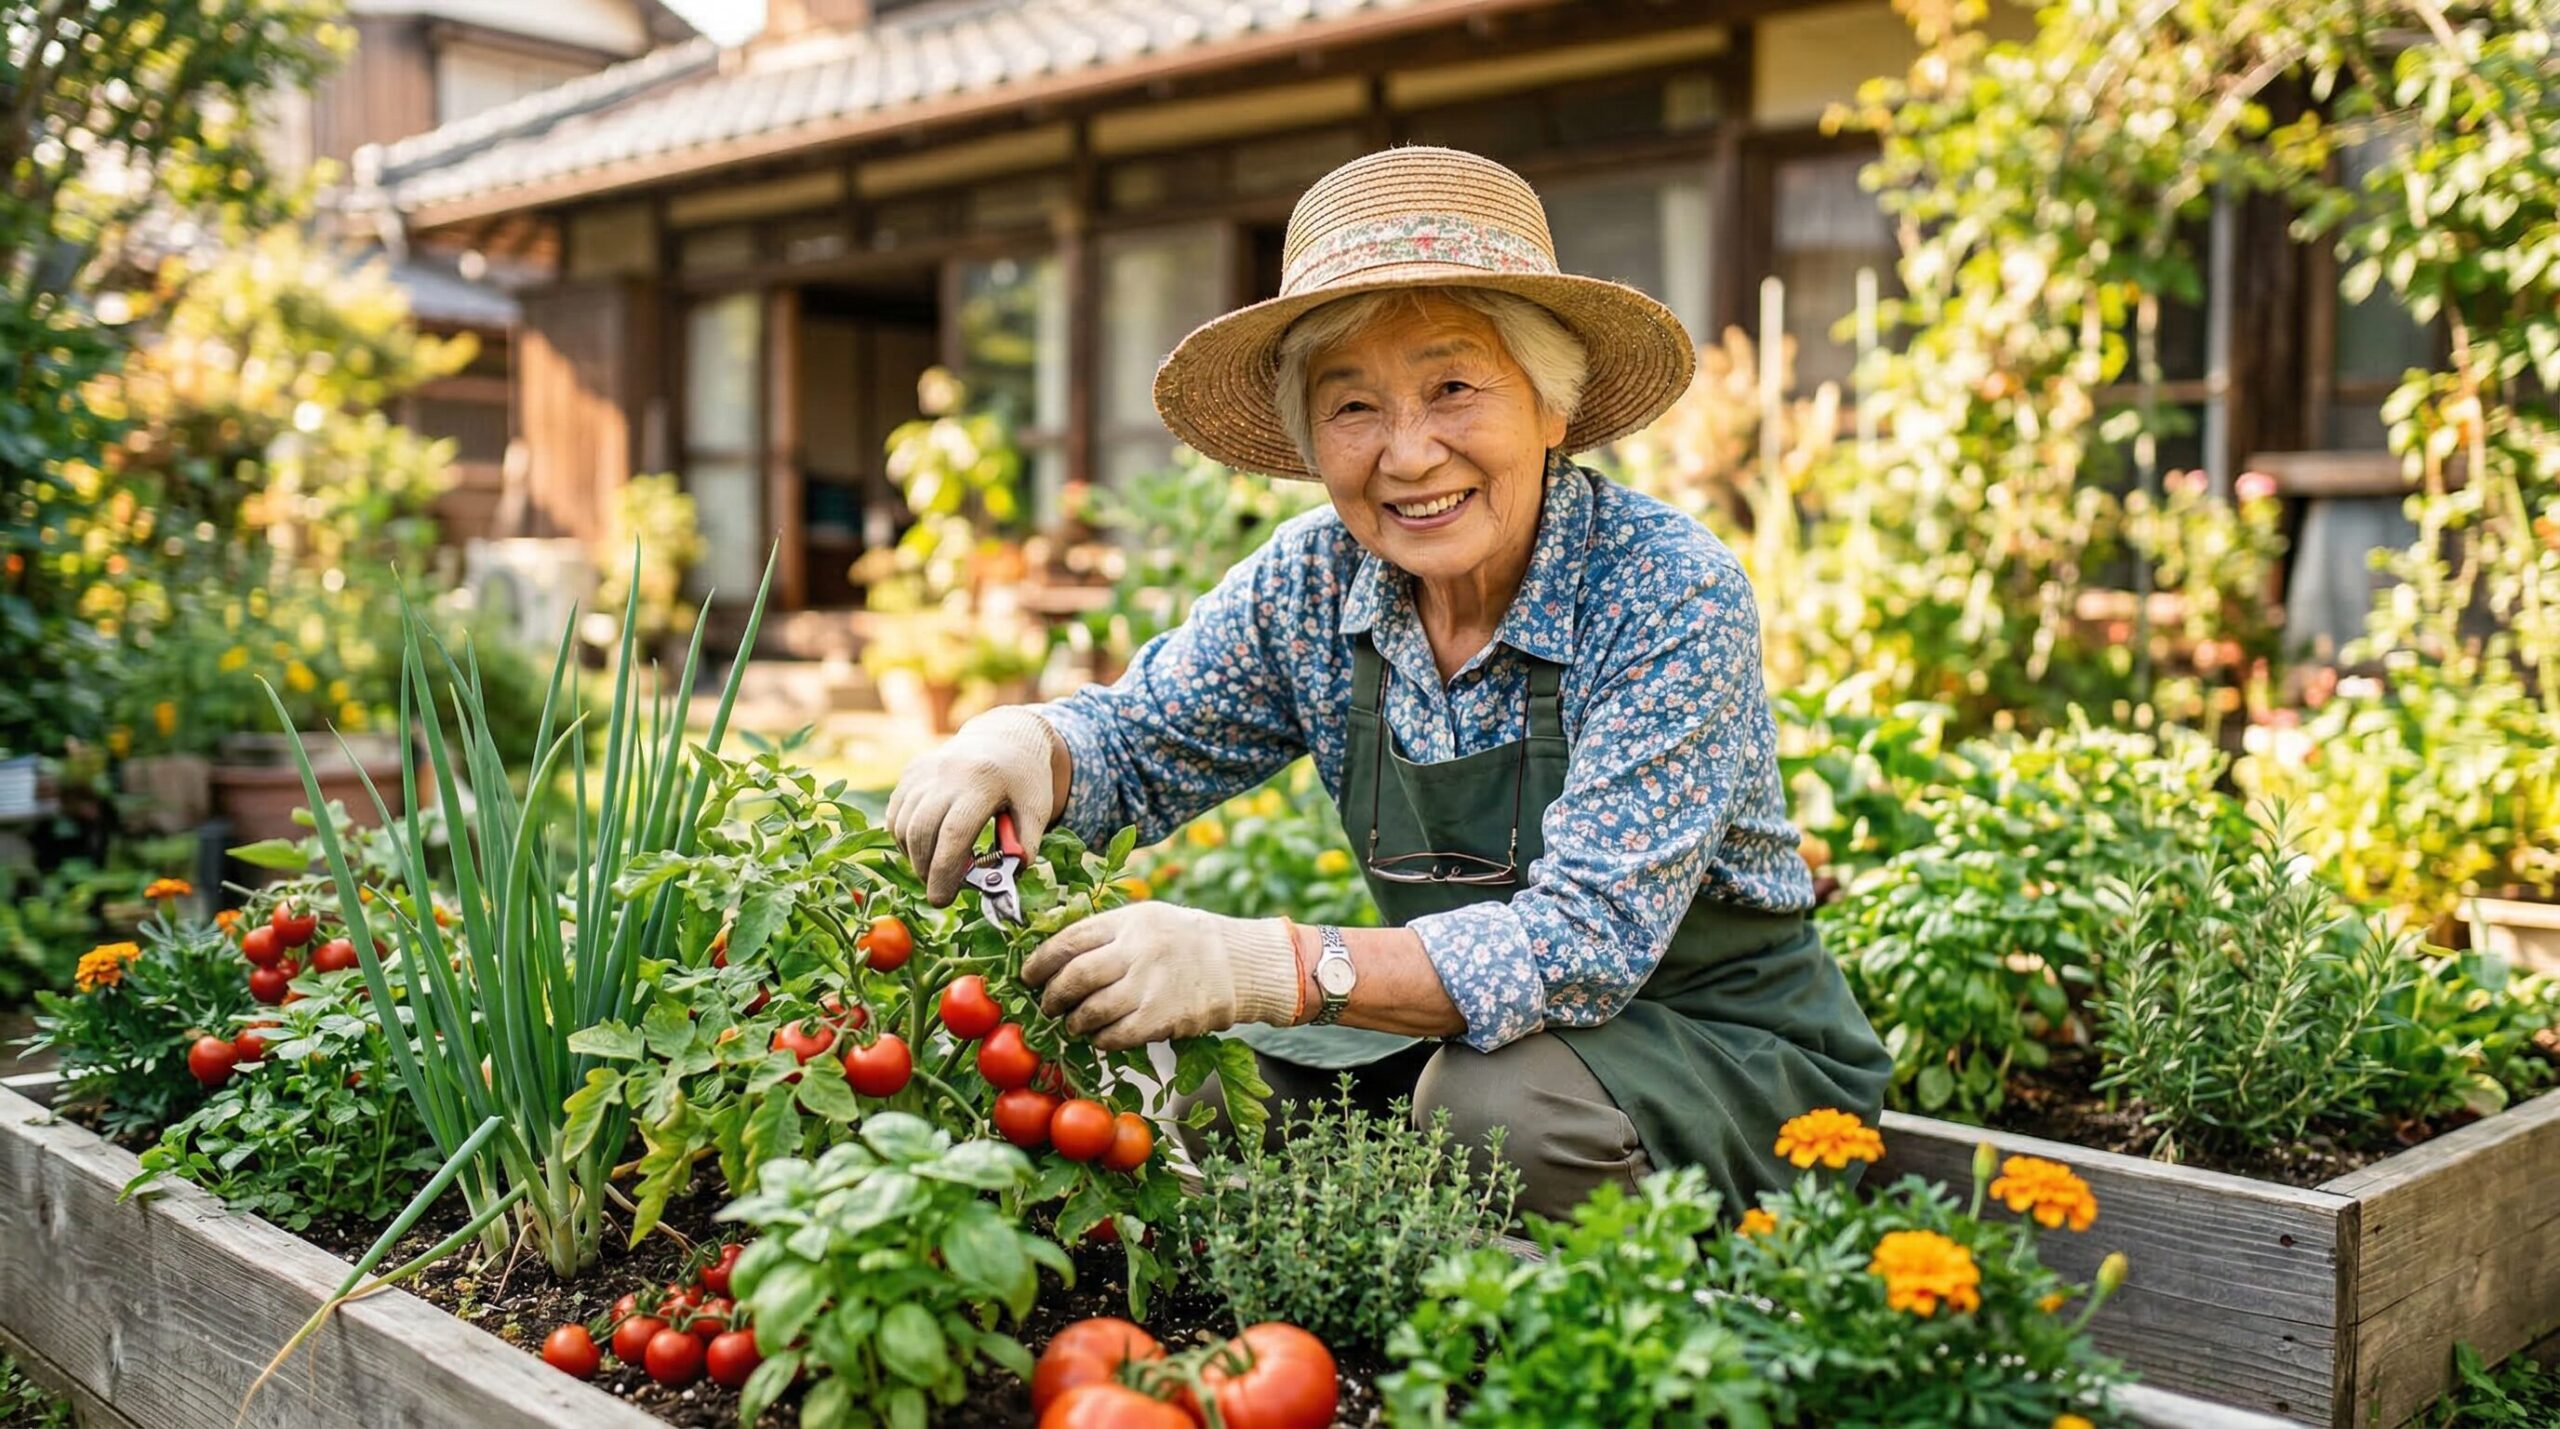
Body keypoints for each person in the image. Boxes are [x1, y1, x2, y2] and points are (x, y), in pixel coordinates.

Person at [887, 145, 1889, 1218]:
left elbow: (1585, 942)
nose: (1408, 455)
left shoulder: (1663, 590)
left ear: (1552, 406)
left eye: (1453, 387)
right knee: (1199, 1080)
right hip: (1458, 1029)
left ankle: (1618, 1300)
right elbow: (1138, 742)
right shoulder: (1313, 581)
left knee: (1495, 1113)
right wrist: (1019, 743)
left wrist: (1267, 964)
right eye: (1352, 406)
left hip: (1714, 1045)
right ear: (1308, 437)